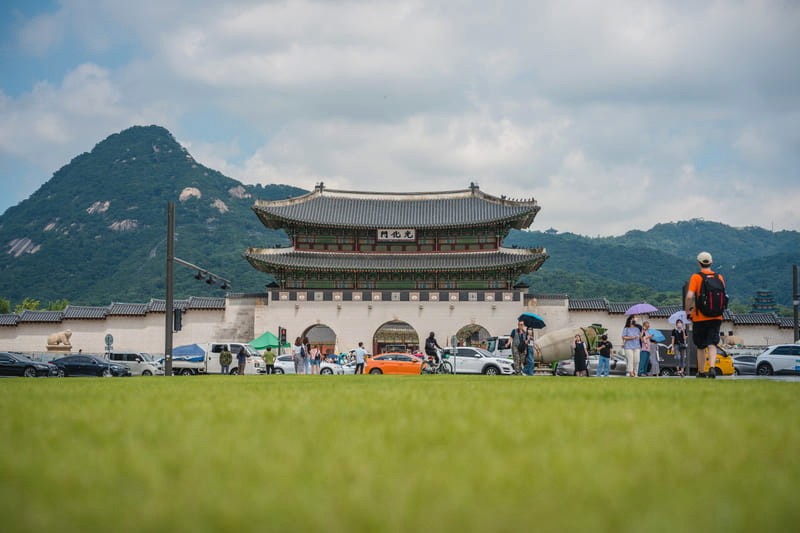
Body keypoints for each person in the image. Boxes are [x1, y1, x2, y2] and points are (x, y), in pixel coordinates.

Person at [685, 251, 725, 379]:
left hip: (700, 316)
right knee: (712, 343)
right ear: (711, 262)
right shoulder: (719, 277)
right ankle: (712, 368)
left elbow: (690, 296)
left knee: (701, 345)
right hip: (717, 316)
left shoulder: (696, 277)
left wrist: (687, 310)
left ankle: (701, 371)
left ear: (699, 263)